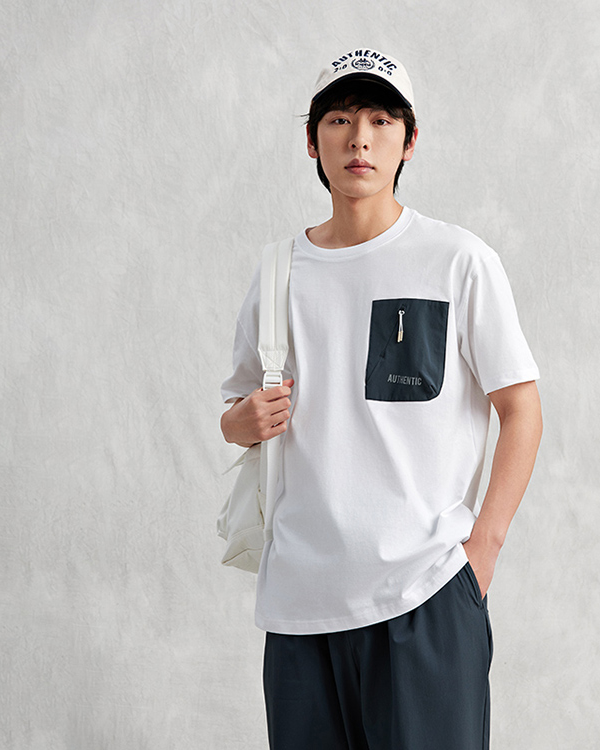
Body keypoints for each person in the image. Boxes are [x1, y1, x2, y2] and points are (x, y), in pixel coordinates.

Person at [220, 46, 543, 750]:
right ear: (313, 141)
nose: (359, 139)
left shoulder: (457, 261)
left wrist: (482, 552)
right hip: (300, 607)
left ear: (409, 140)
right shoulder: (279, 273)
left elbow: (520, 407)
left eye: (380, 120)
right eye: (339, 120)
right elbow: (237, 414)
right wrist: (240, 422)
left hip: (426, 593)